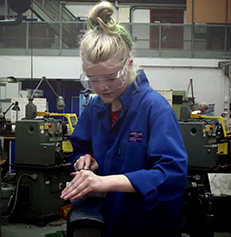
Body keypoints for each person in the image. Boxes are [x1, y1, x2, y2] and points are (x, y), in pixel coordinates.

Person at [60, 1, 188, 236]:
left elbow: (172, 175)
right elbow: (80, 147)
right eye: (92, 80)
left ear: (128, 66)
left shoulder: (154, 109)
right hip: (105, 219)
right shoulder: (95, 108)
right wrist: (84, 159)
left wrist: (105, 182)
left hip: (147, 223)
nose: (102, 87)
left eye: (111, 78)